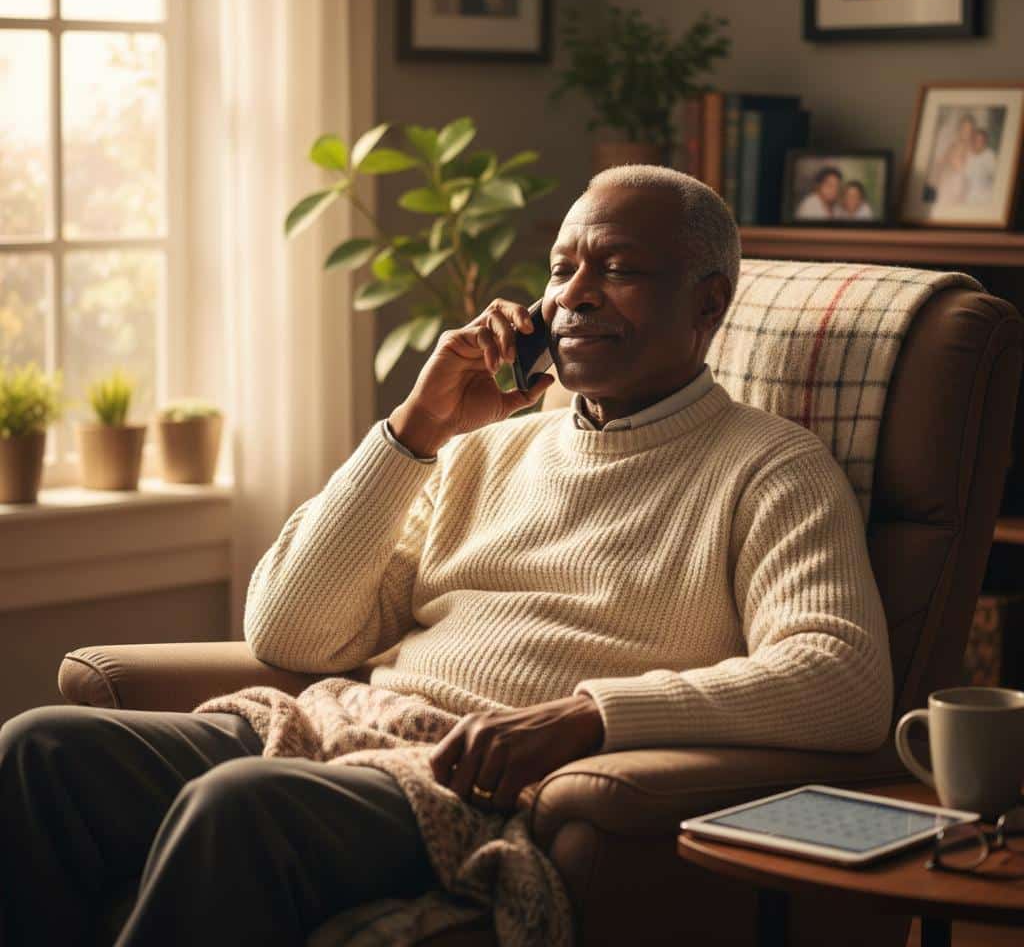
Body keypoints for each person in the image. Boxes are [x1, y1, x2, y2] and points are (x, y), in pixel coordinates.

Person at [0, 167, 894, 947]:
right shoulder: (480, 452)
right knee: (40, 749)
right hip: (345, 726)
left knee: (238, 804)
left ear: (708, 304)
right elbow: (289, 632)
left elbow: (842, 677)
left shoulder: (771, 468)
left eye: (617, 269)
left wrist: (588, 716)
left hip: (476, 787)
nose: (574, 296)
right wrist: (419, 427)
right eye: (562, 270)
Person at [964, 128, 998, 205]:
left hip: (985, 195)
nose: (978, 143)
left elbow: (994, 175)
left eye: (981, 141)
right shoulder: (968, 154)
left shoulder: (990, 155)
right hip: (968, 195)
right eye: (975, 140)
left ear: (985, 142)